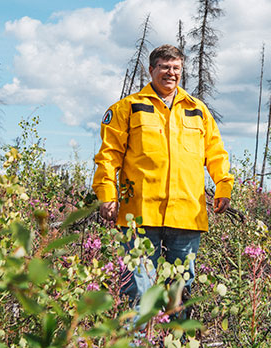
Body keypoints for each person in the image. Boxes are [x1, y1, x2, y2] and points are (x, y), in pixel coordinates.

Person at [92, 44, 233, 310]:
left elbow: (216, 153)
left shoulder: (198, 110)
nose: (171, 73)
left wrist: (223, 187)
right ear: (151, 69)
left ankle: (175, 339)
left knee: (179, 293)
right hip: (140, 215)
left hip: (187, 215)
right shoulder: (128, 108)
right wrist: (107, 196)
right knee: (138, 291)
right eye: (165, 67)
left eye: (176, 68)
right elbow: (108, 156)